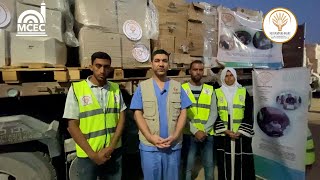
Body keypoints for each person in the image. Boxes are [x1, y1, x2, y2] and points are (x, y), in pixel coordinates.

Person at [130, 49, 192, 180]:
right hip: (150, 147)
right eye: (157, 61)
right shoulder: (143, 87)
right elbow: (137, 114)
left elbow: (183, 112)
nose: (161, 64)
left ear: (168, 64)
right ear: (152, 64)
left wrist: (175, 135)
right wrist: (150, 136)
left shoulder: (177, 86)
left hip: (173, 146)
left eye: (164, 61)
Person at [63, 52, 126, 180]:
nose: (102, 70)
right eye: (98, 66)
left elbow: (122, 119)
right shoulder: (77, 89)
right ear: (91, 66)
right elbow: (72, 125)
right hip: (88, 154)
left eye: (106, 67)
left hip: (113, 152)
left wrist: (111, 147)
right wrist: (93, 155)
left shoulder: (115, 89)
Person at [214, 67, 255, 180]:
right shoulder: (217, 92)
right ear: (223, 77)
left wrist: (240, 131)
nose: (229, 78)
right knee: (224, 162)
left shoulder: (243, 91)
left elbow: (248, 111)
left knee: (242, 162)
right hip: (225, 134)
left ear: (235, 76)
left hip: (240, 134)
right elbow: (214, 113)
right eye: (226, 76)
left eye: (231, 75)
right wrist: (225, 130)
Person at [181, 60, 218, 180]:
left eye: (200, 70)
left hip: (207, 135)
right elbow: (182, 114)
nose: (198, 72)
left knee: (209, 167)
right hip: (189, 134)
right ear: (190, 71)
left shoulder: (209, 89)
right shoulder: (182, 89)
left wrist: (203, 131)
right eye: (195, 69)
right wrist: (195, 131)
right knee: (187, 167)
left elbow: (214, 112)